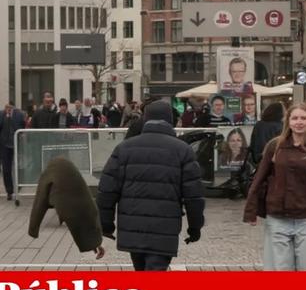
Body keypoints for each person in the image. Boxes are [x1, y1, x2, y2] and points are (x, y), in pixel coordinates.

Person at [97, 101, 205, 271]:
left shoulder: (124, 148)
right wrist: (195, 227)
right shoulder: (183, 150)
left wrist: (106, 225)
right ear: (170, 121)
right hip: (165, 228)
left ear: (145, 119)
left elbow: (106, 191)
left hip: (133, 226)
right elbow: (194, 196)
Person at [243, 103, 306, 271]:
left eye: (303, 118)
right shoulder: (275, 146)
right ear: (288, 121)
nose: (299, 122)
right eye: (294, 118)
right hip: (278, 217)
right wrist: (251, 210)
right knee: (279, 268)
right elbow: (259, 179)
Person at [29, 157, 105, 259]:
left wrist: (33, 229)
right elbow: (90, 212)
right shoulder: (76, 178)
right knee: (84, 216)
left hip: (60, 200)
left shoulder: (49, 173)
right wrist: (95, 243)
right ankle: (94, 245)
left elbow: (39, 201)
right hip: (77, 206)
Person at [0, 103, 26, 200]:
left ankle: (19, 186)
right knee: (6, 169)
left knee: (19, 167)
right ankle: (9, 191)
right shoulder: (1, 114)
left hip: (16, 145)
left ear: (13, 108)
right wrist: (6, 117)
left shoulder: (19, 115)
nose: (8, 109)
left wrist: (10, 118)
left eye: (10, 108)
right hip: (4, 146)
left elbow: (22, 127)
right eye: (6, 107)